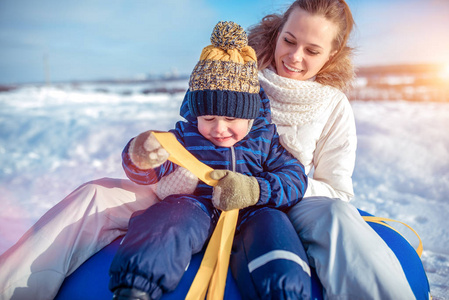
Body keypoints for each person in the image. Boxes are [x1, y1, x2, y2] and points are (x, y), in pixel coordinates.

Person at [0, 1, 426, 299]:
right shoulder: (236, 69)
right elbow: (189, 126)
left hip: (287, 200)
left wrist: (263, 189)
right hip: (194, 186)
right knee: (95, 194)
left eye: (312, 50)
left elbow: (338, 190)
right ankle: (13, 287)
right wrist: (148, 155)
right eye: (289, 40)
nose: (294, 57)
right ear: (278, 31)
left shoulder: (333, 106)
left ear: (332, 53)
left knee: (339, 218)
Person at [109, 21, 310, 300]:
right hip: (198, 207)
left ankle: (283, 292)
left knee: (273, 226)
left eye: (230, 119)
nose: (218, 128)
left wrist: (256, 190)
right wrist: (142, 157)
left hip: (252, 209)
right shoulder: (186, 136)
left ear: (250, 116)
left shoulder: (265, 140)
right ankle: (136, 286)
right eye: (208, 118)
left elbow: (294, 177)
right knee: (170, 215)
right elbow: (153, 169)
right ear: (196, 113)